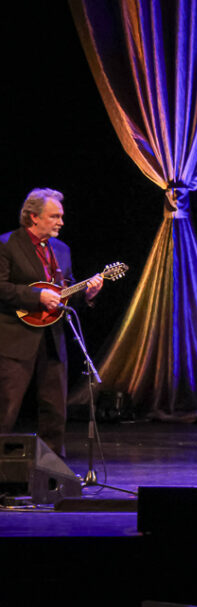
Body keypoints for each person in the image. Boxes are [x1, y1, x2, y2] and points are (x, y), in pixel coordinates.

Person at [1, 188, 104, 456]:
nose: (61, 222)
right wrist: (36, 296)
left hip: (53, 338)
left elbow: (63, 295)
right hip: (15, 337)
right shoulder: (7, 244)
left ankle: (51, 473)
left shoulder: (62, 249)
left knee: (55, 411)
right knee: (6, 408)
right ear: (33, 217)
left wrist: (87, 295)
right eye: (54, 216)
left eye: (61, 216)